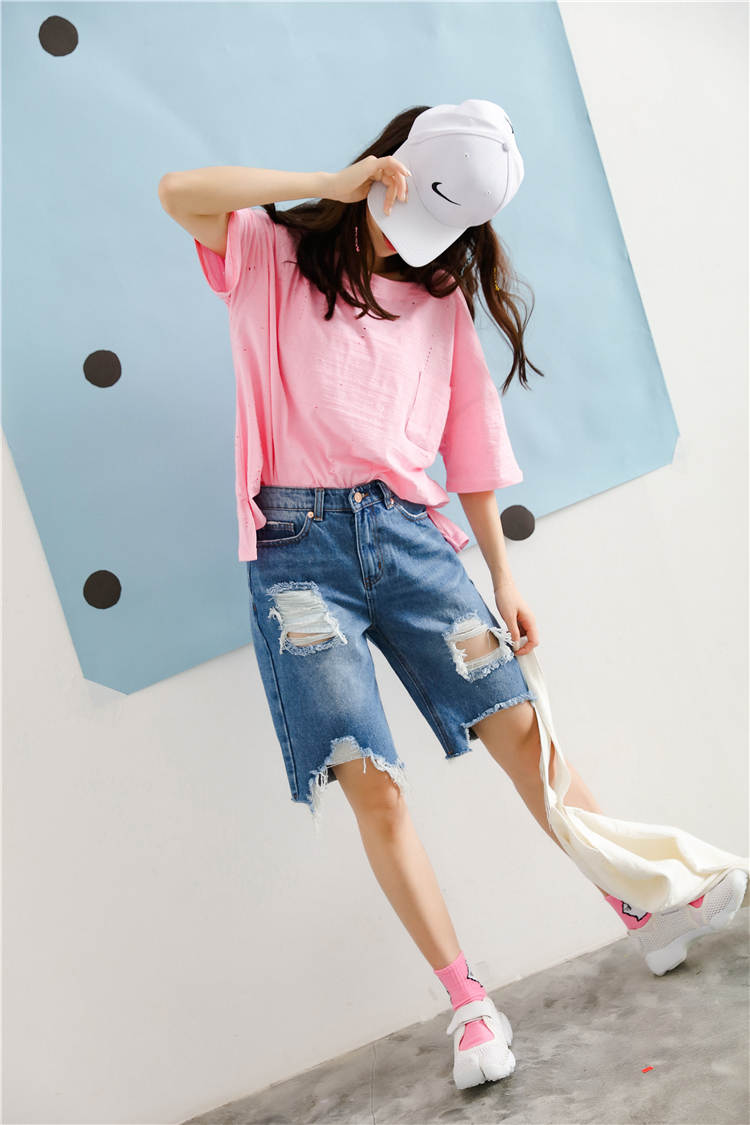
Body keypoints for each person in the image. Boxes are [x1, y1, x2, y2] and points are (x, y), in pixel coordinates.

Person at [158, 100, 748, 1091]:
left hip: (410, 539)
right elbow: (178, 193)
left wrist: (504, 576)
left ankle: (637, 904)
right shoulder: (270, 252)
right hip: (297, 557)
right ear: (384, 172)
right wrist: (330, 184)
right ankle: (469, 1005)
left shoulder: (437, 302)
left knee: (524, 733)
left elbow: (469, 437)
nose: (419, 247)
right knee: (370, 777)